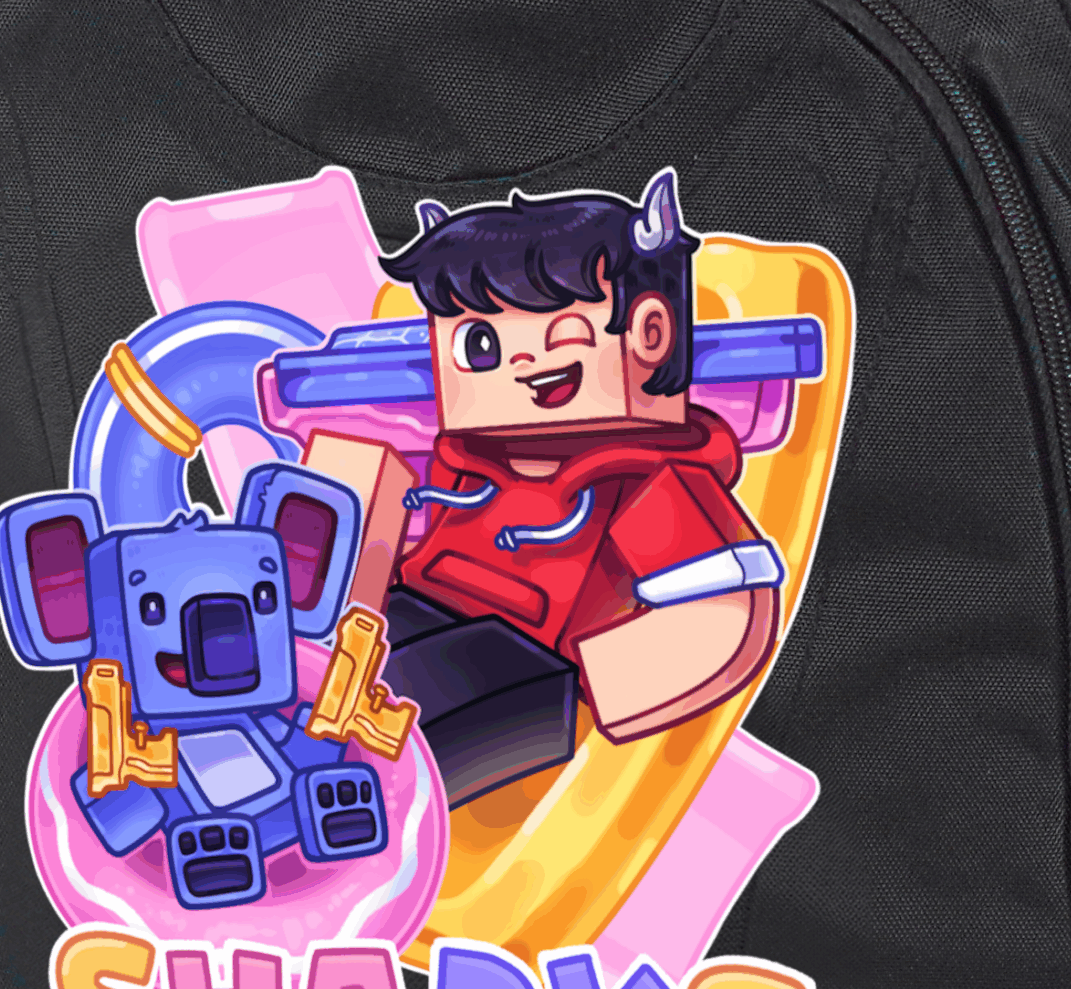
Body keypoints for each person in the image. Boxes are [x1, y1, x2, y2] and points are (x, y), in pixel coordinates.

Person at [303, 168, 783, 805]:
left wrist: (598, 683)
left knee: (382, 729)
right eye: (481, 345)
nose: (523, 362)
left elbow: (722, 617)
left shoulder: (645, 482)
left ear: (651, 332)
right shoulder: (469, 461)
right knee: (306, 674)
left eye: (564, 336)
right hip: (411, 612)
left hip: (528, 662)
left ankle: (330, 798)